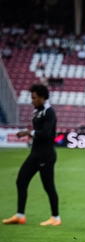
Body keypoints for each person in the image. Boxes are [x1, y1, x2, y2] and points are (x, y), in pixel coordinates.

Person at [3, 84, 60, 227]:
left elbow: (47, 134)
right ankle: (20, 215)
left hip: (46, 155)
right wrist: (31, 133)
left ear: (42, 97)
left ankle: (55, 217)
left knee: (49, 187)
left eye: (34, 98)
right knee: (21, 181)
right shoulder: (37, 111)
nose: (32, 100)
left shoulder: (49, 112)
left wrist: (28, 133)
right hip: (35, 154)